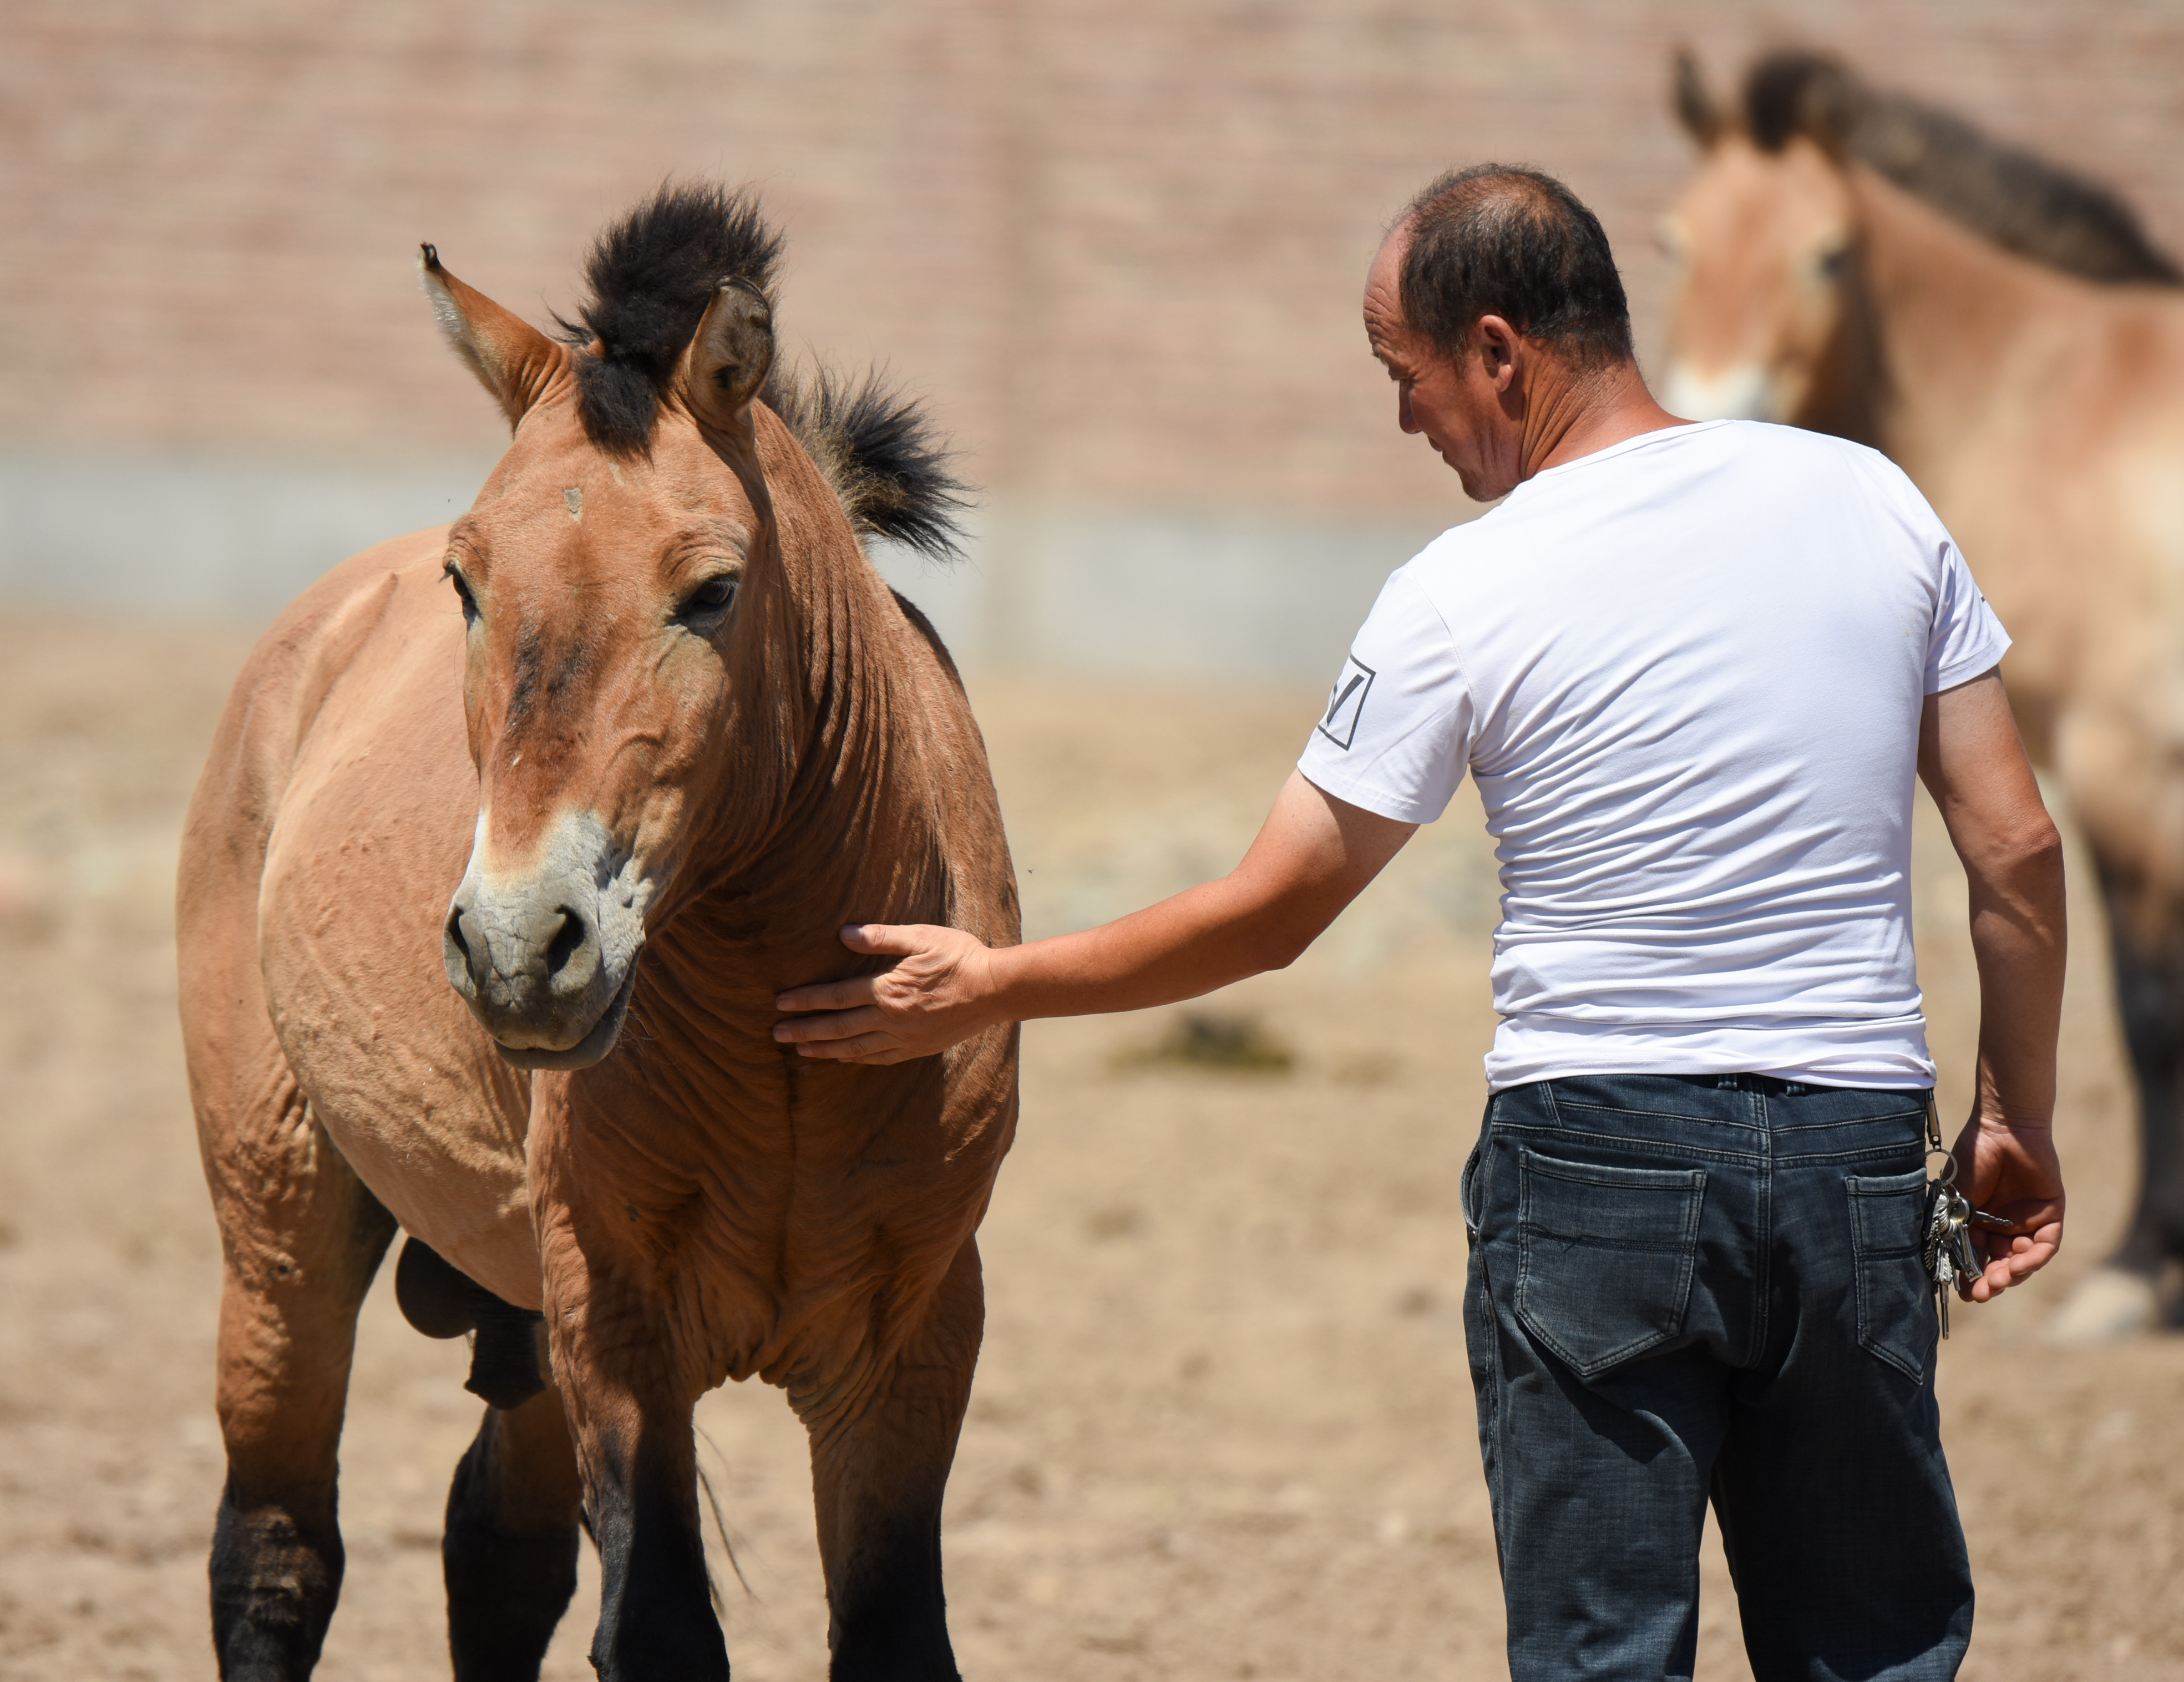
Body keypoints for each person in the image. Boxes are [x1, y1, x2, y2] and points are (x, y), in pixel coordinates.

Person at [772, 163, 2069, 1680]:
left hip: (1598, 1172)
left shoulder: (1464, 587)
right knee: (1873, 1653)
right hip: (1854, 1156)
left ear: (1499, 352)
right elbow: (2015, 847)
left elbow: (1269, 912)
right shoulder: (1868, 498)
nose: (1402, 420)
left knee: (1601, 1657)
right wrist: (2010, 1117)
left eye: (1404, 375)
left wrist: (993, 982)